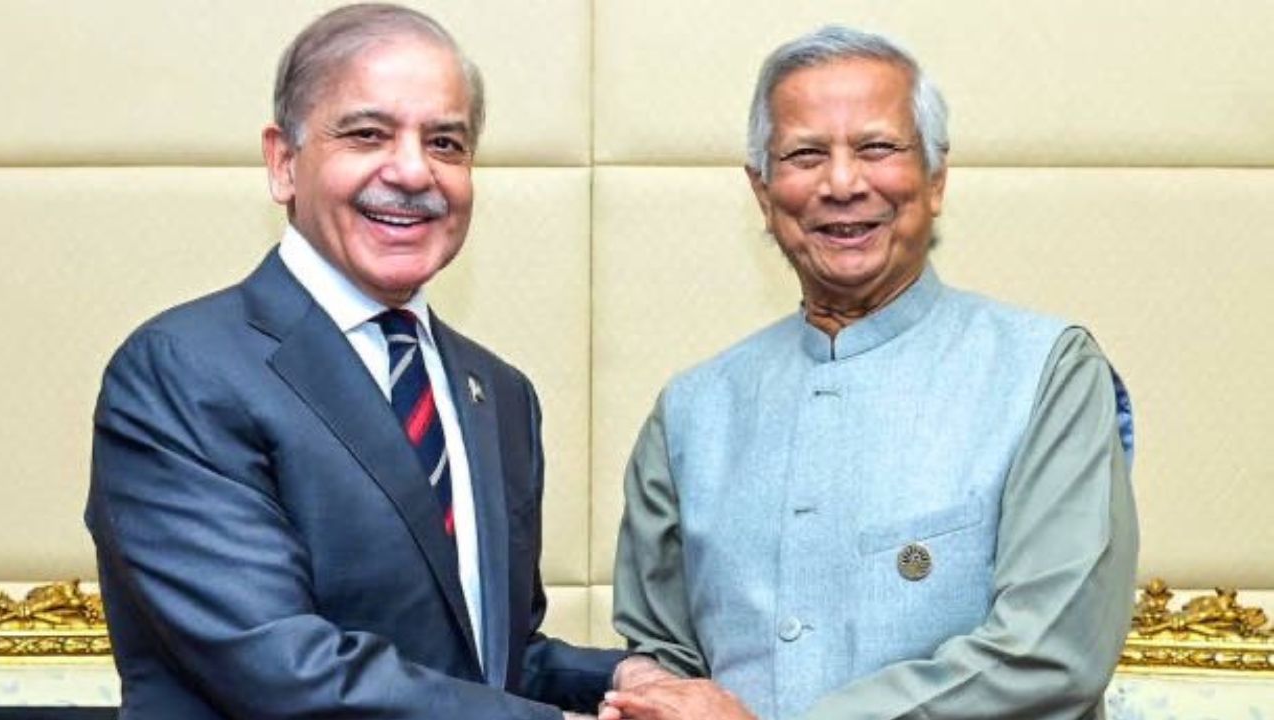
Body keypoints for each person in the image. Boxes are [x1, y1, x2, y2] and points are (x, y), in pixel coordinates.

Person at [85, 4, 661, 718]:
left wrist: (627, 677)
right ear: (283, 162)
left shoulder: (500, 394)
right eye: (367, 134)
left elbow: (486, 661)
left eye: (445, 143)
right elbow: (284, 670)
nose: (414, 171)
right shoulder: (184, 372)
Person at [603, 25, 1138, 720]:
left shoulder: (1047, 372)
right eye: (805, 155)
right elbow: (662, 660)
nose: (842, 183)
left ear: (936, 178)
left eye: (877, 148)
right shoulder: (692, 412)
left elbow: (1051, 653)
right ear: (763, 191)